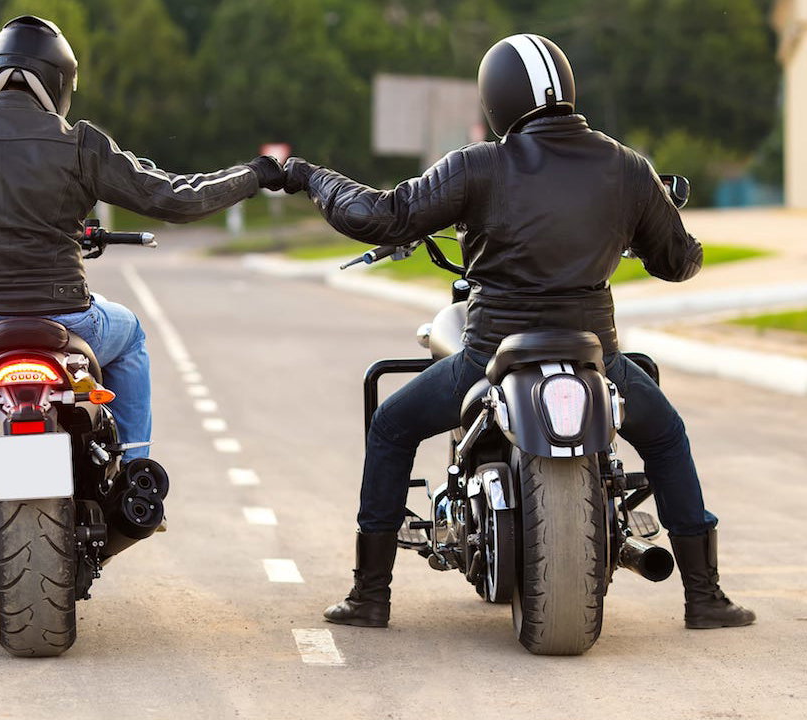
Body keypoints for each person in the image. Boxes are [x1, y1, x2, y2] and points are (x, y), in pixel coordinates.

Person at [283, 33, 755, 631]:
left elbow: (380, 216)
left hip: (488, 356)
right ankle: (705, 597)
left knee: (392, 425)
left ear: (496, 98)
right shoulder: (627, 167)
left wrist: (310, 177)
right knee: (663, 436)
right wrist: (655, 218)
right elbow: (677, 261)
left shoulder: (478, 165)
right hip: (593, 355)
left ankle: (370, 596)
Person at [0, 15, 285, 630]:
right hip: (70, 322)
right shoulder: (80, 143)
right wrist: (255, 173)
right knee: (129, 333)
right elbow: (177, 198)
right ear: (61, 82)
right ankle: (133, 468)